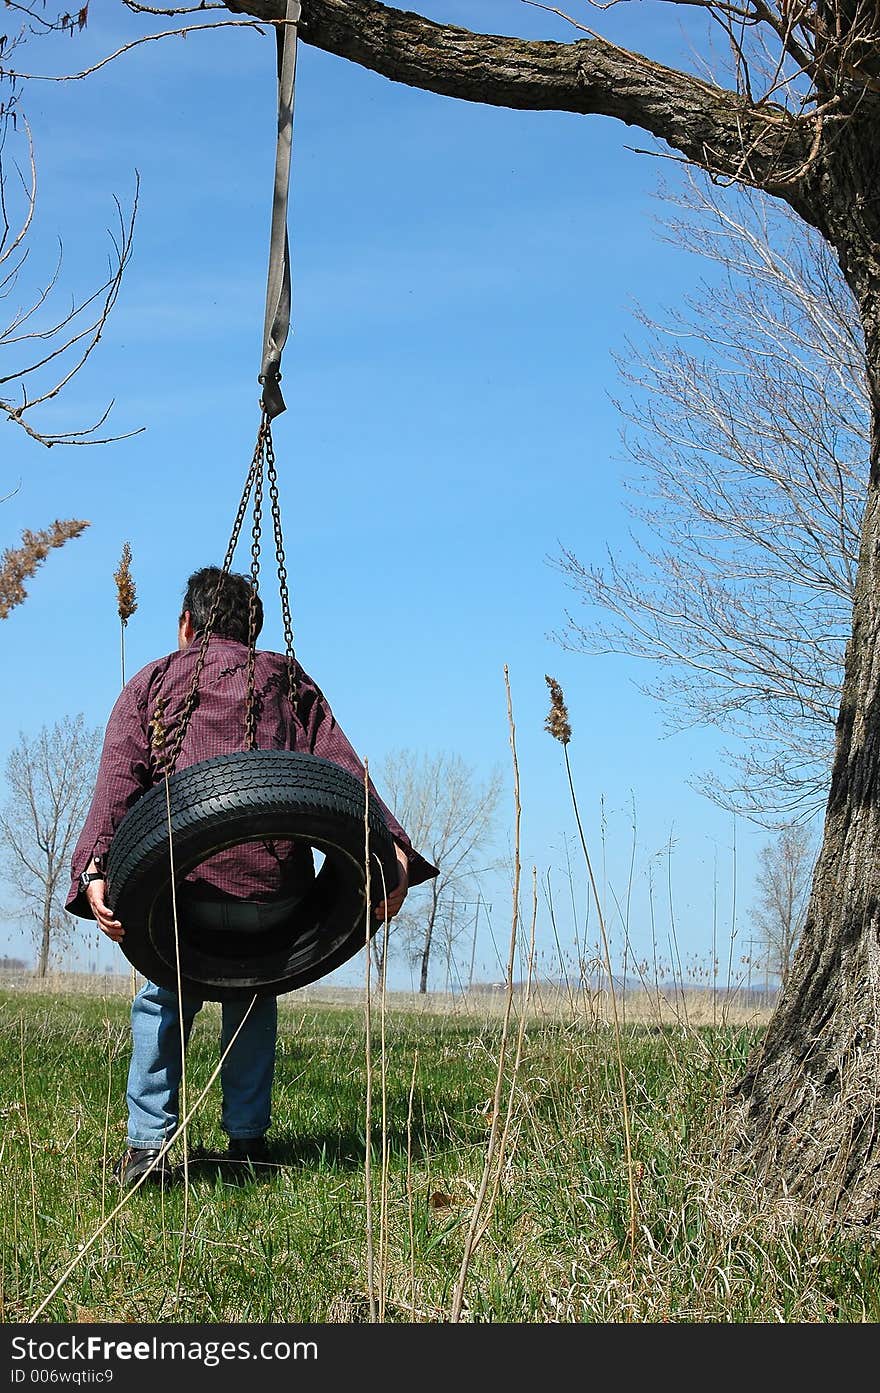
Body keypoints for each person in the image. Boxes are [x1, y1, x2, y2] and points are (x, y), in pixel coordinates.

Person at [66, 566, 437, 1186]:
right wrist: (390, 848)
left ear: (186, 625)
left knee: (164, 995)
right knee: (253, 991)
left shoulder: (153, 684)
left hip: (182, 907)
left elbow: (117, 788)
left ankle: (149, 1149)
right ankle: (246, 1146)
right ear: (255, 628)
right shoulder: (288, 683)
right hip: (277, 904)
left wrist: (95, 870)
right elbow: (346, 776)